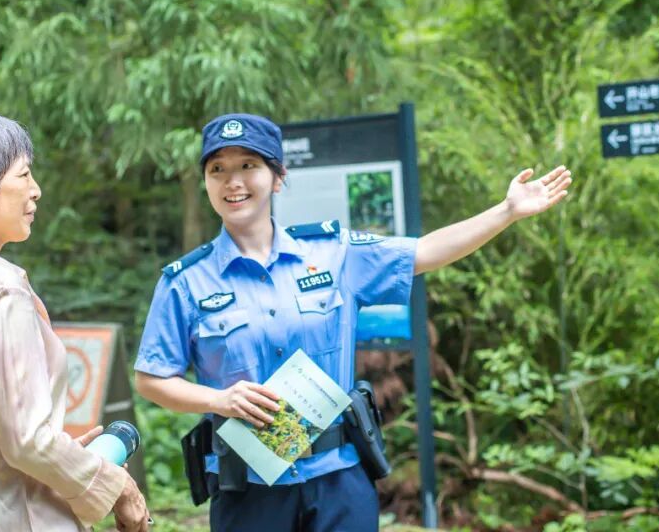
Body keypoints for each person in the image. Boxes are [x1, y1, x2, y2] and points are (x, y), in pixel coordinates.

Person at [134, 112, 573, 532]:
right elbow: (152, 379)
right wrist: (219, 400)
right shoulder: (185, 283)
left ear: (278, 177)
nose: (233, 181)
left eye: (248, 165)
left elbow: (425, 252)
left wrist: (507, 211)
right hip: (248, 487)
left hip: (338, 479)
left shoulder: (333, 253)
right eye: (218, 169)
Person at [0, 110, 149, 532]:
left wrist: (68, 456)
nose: (35, 191)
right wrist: (119, 486)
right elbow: (28, 442)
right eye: (23, 175)